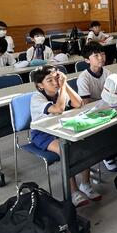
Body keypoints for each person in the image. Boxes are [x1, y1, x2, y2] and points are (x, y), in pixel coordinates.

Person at [28, 66, 90, 206]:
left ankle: (86, 184)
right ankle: (73, 192)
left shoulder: (60, 92)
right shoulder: (37, 98)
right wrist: (62, 88)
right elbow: (58, 109)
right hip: (42, 133)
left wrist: (65, 84)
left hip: (60, 127)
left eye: (56, 78)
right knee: (65, 150)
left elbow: (79, 104)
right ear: (40, 85)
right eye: (49, 80)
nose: (55, 82)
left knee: (84, 143)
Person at [76, 42, 114, 188]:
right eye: (96, 56)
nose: (101, 58)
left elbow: (113, 95)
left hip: (106, 109)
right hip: (91, 114)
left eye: (102, 54)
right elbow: (86, 103)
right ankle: (107, 154)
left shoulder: (108, 73)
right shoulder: (84, 78)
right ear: (87, 60)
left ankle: (112, 152)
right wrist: (104, 100)